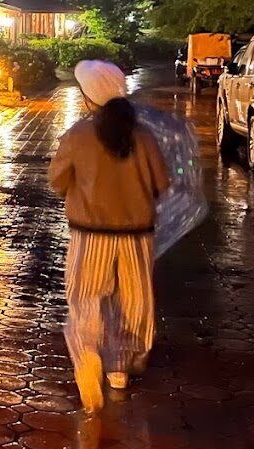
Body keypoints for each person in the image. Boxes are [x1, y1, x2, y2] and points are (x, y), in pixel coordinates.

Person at [49, 60, 170, 413]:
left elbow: (57, 181)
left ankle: (87, 359)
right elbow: (161, 184)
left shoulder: (77, 135)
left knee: (86, 300)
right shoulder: (144, 136)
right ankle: (120, 369)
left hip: (90, 236)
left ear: (88, 99)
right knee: (133, 303)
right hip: (137, 236)